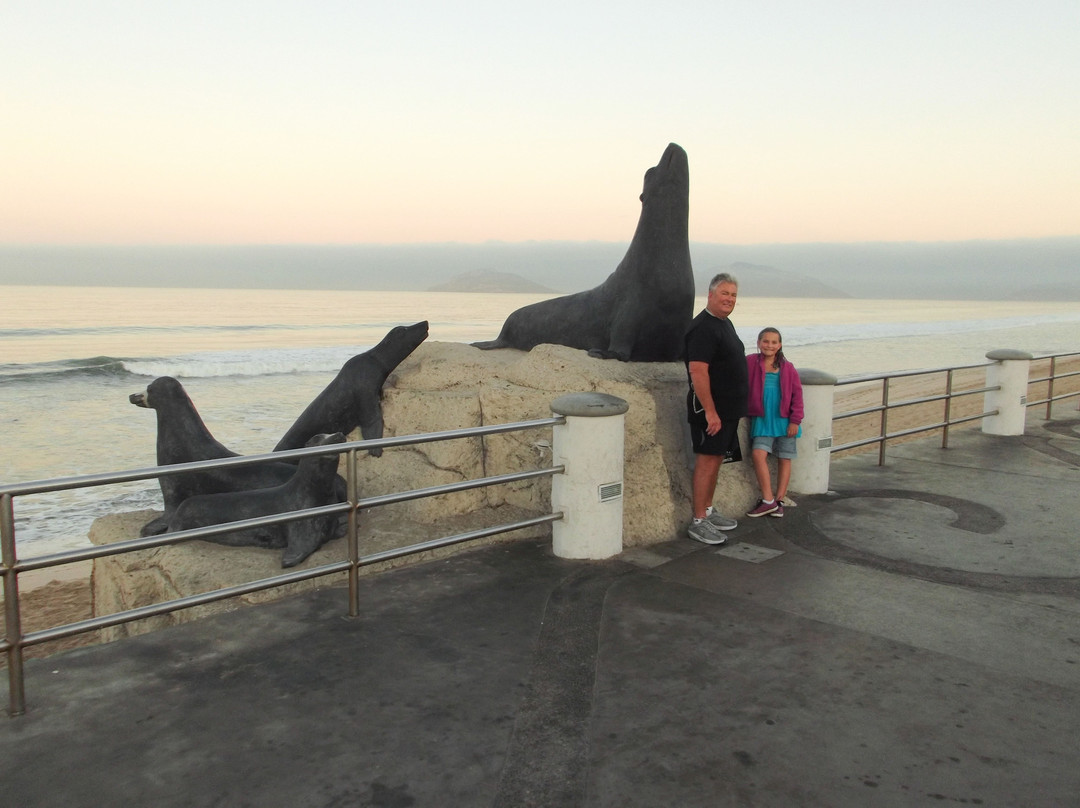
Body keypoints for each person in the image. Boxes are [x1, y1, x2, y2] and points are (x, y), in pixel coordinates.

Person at [683, 273, 748, 544]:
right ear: (710, 295)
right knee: (707, 461)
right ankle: (698, 520)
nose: (730, 299)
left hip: (728, 411)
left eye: (733, 295)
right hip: (710, 412)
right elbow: (697, 371)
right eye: (725, 293)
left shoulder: (724, 323)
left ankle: (708, 510)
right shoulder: (703, 328)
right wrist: (710, 411)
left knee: (718, 459)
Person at [745, 327, 803, 518]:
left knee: (784, 457)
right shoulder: (751, 362)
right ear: (759, 343)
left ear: (779, 345)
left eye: (773, 342)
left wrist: (795, 420)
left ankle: (779, 501)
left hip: (785, 420)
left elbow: (797, 396)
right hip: (762, 418)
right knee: (758, 454)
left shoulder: (788, 368)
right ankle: (768, 500)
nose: (769, 345)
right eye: (765, 341)